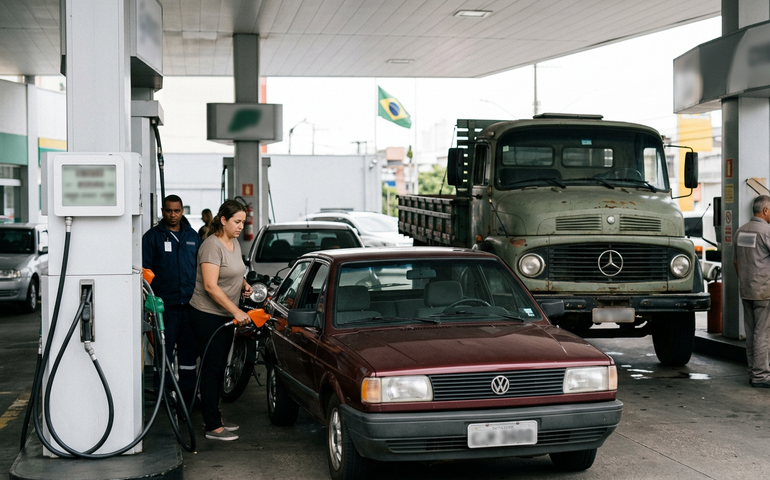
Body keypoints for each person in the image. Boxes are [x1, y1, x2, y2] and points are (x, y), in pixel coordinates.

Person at [188, 200, 253, 441]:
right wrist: (236, 311)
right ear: (223, 220)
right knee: (212, 369)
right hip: (207, 315)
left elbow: (235, 271)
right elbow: (210, 286)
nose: (240, 227)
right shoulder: (211, 246)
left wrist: (243, 284)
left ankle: (214, 417)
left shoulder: (233, 242)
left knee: (218, 366)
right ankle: (212, 426)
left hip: (225, 315)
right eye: (236, 222)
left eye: (242, 222)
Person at [142, 195, 202, 407]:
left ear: (182, 211)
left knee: (188, 354)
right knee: (163, 354)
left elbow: (201, 270)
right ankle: (165, 398)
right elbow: (144, 272)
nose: (173, 215)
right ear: (163, 210)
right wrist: (149, 303)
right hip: (164, 308)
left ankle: (188, 397)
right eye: (169, 211)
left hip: (190, 306)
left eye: (177, 211)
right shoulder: (152, 238)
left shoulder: (193, 237)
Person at [733, 194, 770, 388]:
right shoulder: (766, 231)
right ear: (765, 211)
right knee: (763, 333)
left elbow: (736, 261)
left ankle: (752, 371)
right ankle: (761, 376)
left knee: (751, 331)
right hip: (764, 290)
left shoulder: (741, 232)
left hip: (746, 288)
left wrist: (745, 280)